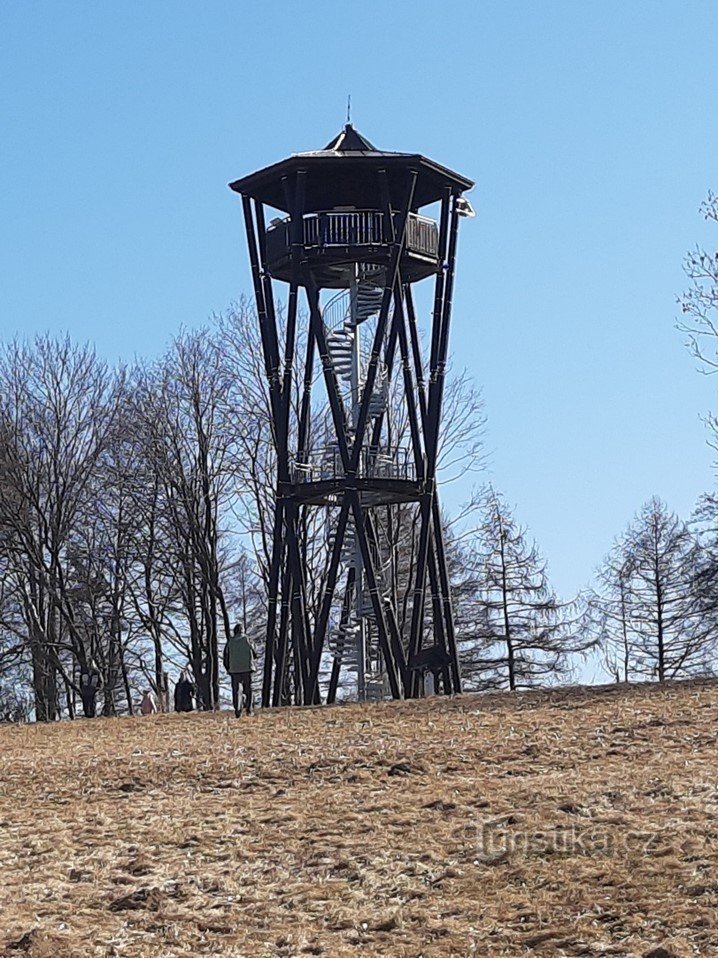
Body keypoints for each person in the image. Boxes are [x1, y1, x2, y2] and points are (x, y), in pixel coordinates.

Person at [223, 623, 255, 717]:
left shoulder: (230, 642)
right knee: (248, 689)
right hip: (247, 668)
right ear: (243, 631)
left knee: (236, 691)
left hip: (234, 670)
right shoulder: (248, 640)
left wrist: (228, 668)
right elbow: (255, 653)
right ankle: (249, 709)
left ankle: (238, 710)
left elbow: (226, 656)